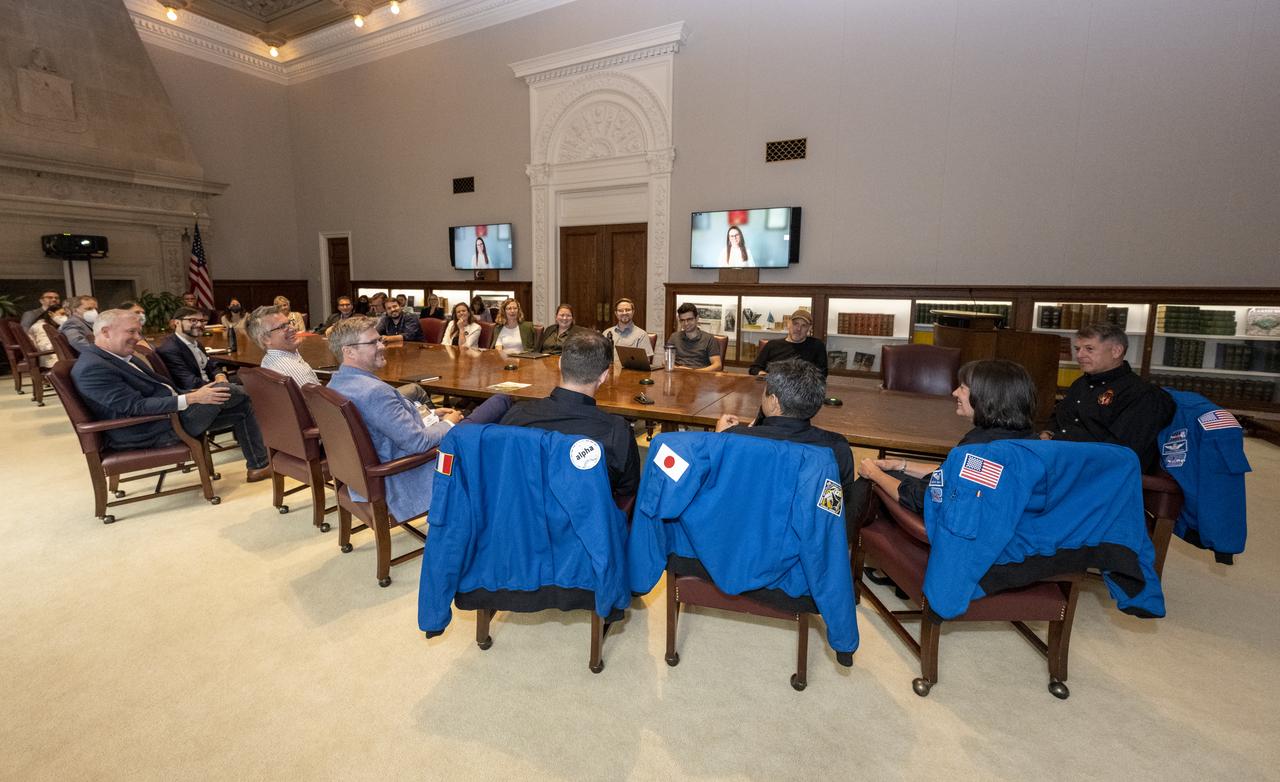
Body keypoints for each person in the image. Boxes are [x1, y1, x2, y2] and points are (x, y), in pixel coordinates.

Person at [324, 318, 510, 519]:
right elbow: (418, 443)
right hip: (407, 476)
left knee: (488, 410)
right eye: (373, 343)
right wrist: (450, 423)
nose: (382, 346)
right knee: (501, 402)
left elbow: (385, 425)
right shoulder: (374, 392)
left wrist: (430, 416)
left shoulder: (336, 384)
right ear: (348, 351)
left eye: (380, 340)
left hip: (366, 476)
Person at [70, 309, 270, 481]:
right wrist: (192, 398)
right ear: (105, 332)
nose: (138, 337)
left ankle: (259, 466)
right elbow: (135, 407)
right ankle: (282, 409)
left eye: (138, 332)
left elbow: (164, 388)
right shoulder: (92, 367)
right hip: (148, 430)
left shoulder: (117, 356)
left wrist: (193, 394)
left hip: (168, 416)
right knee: (232, 390)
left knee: (242, 405)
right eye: (131, 331)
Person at [855, 359, 1038, 517]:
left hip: (944, 530)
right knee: (892, 473)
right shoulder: (1027, 439)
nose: (955, 393)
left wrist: (874, 474)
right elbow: (957, 473)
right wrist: (901, 465)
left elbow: (922, 499)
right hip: (1000, 529)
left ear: (985, 397)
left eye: (963, 388)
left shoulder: (976, 449)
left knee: (868, 483)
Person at [500, 331, 640, 500]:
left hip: (521, 517)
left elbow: (502, 470)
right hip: (583, 523)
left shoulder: (516, 414)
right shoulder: (618, 431)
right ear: (604, 376)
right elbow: (628, 490)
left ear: (559, 364)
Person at [715, 357, 856, 510]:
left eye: (765, 391)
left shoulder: (734, 437)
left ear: (774, 401)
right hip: (808, 530)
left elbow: (719, 488)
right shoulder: (837, 448)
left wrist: (719, 438)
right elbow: (837, 506)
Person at [1041, 322, 1175, 474]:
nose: (1079, 355)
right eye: (1077, 349)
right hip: (1060, 461)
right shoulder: (1081, 384)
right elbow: (1059, 417)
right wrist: (1047, 433)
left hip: (1098, 473)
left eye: (1089, 349)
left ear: (1116, 351)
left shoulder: (1142, 394)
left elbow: (1121, 451)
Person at [246, 306, 429, 403]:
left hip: (321, 423)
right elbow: (320, 404)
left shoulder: (270, 362)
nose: (292, 328)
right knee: (414, 390)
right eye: (282, 327)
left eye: (290, 323)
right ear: (266, 339)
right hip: (335, 427)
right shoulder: (290, 368)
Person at [156, 307, 232, 390]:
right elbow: (189, 383)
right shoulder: (169, 349)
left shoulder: (196, 342)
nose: (199, 324)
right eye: (193, 320)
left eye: (202, 321)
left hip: (209, 384)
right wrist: (218, 386)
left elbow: (210, 365)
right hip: (199, 393)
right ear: (177, 322)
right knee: (244, 391)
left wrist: (220, 376)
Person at [748, 310, 828, 377]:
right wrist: (767, 377)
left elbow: (822, 374)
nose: (798, 329)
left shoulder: (817, 346)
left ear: (809, 328)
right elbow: (754, 369)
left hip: (802, 391)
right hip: (774, 389)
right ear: (788, 324)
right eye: (795, 324)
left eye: (804, 325)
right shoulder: (772, 345)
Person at [667, 302, 723, 371]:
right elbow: (666, 361)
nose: (686, 323)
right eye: (682, 320)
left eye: (689, 319)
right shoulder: (674, 337)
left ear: (697, 318)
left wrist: (693, 372)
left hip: (700, 377)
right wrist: (678, 369)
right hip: (678, 375)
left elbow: (717, 365)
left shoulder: (709, 339)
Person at [602, 297, 655, 367]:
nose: (624, 313)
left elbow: (644, 364)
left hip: (631, 375)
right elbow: (601, 357)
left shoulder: (641, 335)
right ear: (616, 313)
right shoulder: (606, 333)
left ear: (633, 312)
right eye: (620, 310)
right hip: (609, 374)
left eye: (628, 310)